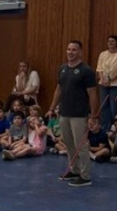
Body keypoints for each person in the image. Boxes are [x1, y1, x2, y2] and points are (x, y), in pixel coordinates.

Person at [48, 39, 100, 186]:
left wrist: (93, 116)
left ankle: (85, 176)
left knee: (81, 145)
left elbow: (93, 95)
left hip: (79, 115)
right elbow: (58, 90)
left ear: (80, 52)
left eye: (74, 50)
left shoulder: (86, 71)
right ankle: (75, 169)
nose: (70, 52)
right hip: (64, 113)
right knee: (69, 144)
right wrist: (52, 108)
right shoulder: (62, 69)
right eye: (69, 49)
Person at [95, 34, 117, 132]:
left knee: (113, 107)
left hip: (115, 84)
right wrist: (102, 79)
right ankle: (105, 128)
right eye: (109, 41)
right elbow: (99, 68)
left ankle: (114, 128)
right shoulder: (103, 54)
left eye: (112, 41)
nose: (110, 43)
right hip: (103, 83)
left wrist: (110, 79)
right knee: (104, 106)